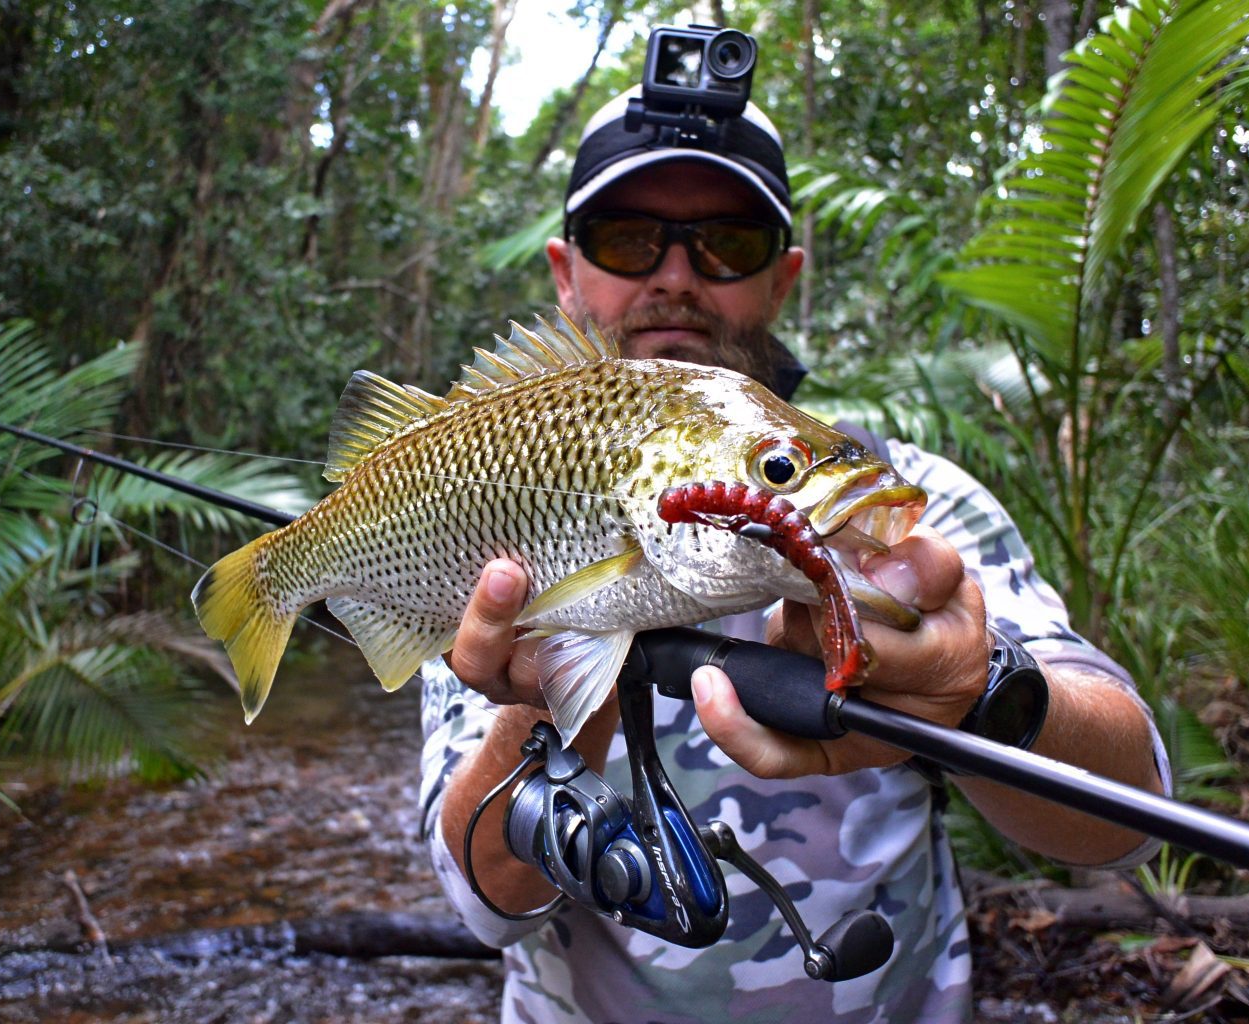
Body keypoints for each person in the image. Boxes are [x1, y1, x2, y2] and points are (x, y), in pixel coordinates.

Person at [417, 88, 1170, 1023]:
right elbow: (482, 907)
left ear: (783, 278)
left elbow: (1130, 815)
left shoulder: (896, 501)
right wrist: (545, 695)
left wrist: (982, 693)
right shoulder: (480, 500)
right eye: (625, 239)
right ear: (567, 274)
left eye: (727, 241)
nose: (676, 277)